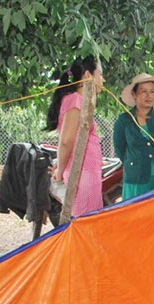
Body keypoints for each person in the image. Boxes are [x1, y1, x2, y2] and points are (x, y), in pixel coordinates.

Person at [45, 55, 105, 217]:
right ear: (87, 76)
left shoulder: (80, 101)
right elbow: (66, 141)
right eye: (99, 74)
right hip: (82, 172)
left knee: (89, 219)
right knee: (84, 221)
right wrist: (60, 171)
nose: (102, 79)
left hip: (86, 171)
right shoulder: (75, 101)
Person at [113, 73, 154, 201]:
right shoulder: (124, 120)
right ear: (134, 95)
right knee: (135, 216)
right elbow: (120, 149)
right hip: (135, 179)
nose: (149, 95)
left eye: (152, 91)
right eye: (144, 91)